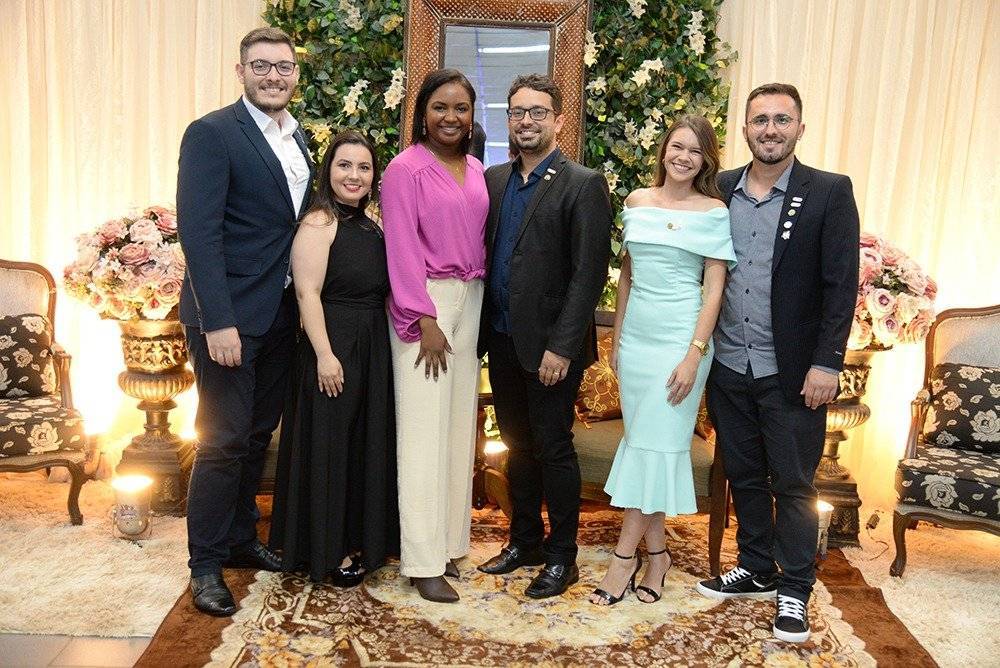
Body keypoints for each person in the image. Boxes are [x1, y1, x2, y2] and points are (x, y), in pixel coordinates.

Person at [695, 83, 859, 643]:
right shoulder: (718, 189)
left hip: (792, 372)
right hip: (728, 365)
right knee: (743, 475)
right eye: (760, 119)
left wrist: (828, 363)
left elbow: (840, 287)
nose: (770, 129)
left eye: (781, 120)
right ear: (744, 129)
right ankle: (756, 567)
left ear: (800, 129)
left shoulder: (829, 192)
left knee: (792, 483)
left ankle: (794, 587)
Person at [177, 27, 313, 616]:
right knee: (222, 440)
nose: (273, 76)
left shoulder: (297, 136)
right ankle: (205, 565)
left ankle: (239, 539)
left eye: (283, 67)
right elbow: (199, 234)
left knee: (257, 435)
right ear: (241, 72)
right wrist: (218, 322)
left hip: (280, 314)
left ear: (295, 74)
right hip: (228, 316)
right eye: (261, 66)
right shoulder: (212, 133)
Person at [476, 74, 612, 599]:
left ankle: (562, 557)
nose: (526, 121)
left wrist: (562, 346)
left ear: (558, 120)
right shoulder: (494, 180)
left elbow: (588, 274)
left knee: (553, 448)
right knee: (516, 446)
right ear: (508, 119)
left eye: (537, 112)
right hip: (503, 339)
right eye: (517, 112)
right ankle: (525, 541)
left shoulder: (583, 183)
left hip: (553, 348)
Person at [590, 116, 735, 606]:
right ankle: (658, 557)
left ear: (706, 159)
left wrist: (694, 354)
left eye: (695, 150)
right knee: (643, 447)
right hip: (637, 343)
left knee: (652, 448)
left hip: (681, 344)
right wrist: (618, 338)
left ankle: (622, 559)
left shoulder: (714, 211)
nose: (684, 157)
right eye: (677, 146)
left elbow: (714, 290)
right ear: (664, 151)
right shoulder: (636, 201)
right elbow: (627, 276)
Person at [269, 131, 400, 586]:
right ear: (328, 171)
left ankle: (358, 540)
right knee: (331, 448)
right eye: (345, 165)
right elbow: (307, 293)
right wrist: (325, 355)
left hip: (371, 346)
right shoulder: (319, 222)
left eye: (364, 167)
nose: (354, 175)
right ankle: (327, 552)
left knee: (360, 446)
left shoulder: (372, 224)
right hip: (332, 346)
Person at [381, 68, 489, 604]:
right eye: (440, 107)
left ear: (472, 116)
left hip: (472, 297)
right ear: (422, 114)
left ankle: (449, 545)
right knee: (423, 434)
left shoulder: (476, 167)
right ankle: (422, 561)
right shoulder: (404, 169)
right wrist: (422, 317)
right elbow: (400, 246)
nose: (451, 117)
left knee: (457, 428)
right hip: (426, 302)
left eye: (461, 108)